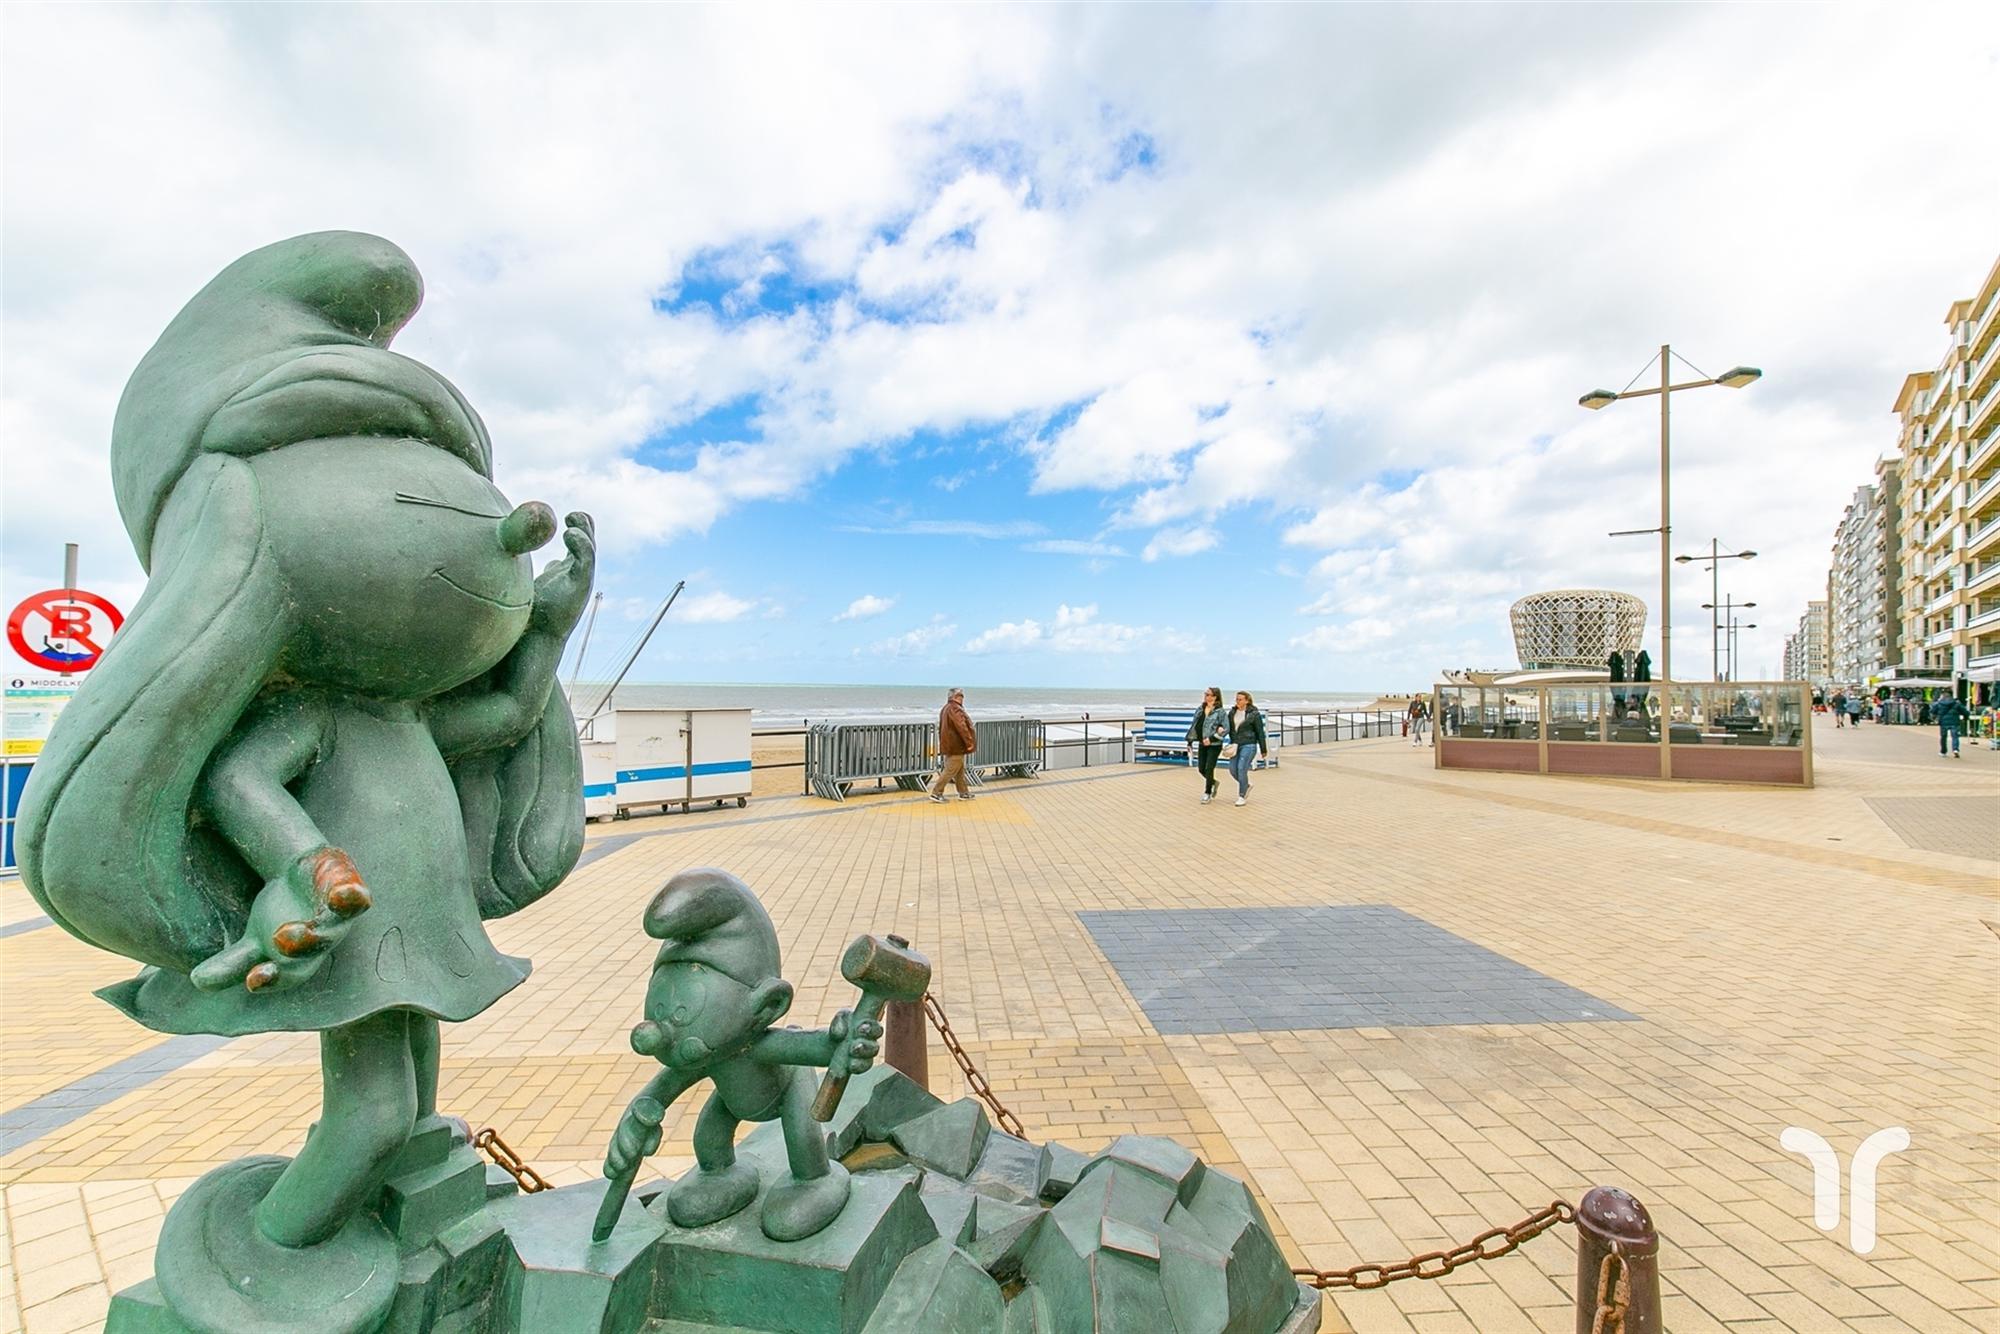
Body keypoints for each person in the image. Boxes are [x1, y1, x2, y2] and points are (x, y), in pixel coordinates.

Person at [928, 688, 977, 802]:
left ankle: (963, 793)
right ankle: (936, 793)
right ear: (954, 697)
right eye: (960, 695)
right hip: (956, 746)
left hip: (950, 745)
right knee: (950, 770)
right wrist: (969, 742)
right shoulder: (955, 708)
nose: (962, 698)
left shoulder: (946, 708)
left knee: (959, 770)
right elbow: (962, 727)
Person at [1224, 690, 1269, 806]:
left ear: (1247, 701)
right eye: (1236, 699)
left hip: (1249, 744)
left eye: (1240, 699)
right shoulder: (1232, 713)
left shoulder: (1254, 714)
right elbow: (1228, 728)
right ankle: (1247, 785)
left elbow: (1260, 732)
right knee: (1232, 769)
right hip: (1235, 744)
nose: (1237, 701)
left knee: (1241, 768)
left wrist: (1263, 749)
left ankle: (1241, 796)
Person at [1186, 686, 1228, 803]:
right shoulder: (1200, 709)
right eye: (1205, 694)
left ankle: (1207, 792)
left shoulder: (1220, 712)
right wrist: (1190, 741)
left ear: (1215, 697)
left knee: (1209, 768)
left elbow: (1226, 728)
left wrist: (1212, 738)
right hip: (1201, 743)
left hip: (1214, 745)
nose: (1206, 696)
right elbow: (1195, 725)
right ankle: (1213, 782)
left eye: (1208, 694)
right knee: (1201, 769)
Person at [1932, 692, 1968, 759]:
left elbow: (1932, 710)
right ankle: (1955, 749)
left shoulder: (1939, 703)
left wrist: (1935, 717)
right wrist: (1965, 718)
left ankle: (1943, 751)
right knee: (1955, 736)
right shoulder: (1956, 703)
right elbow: (1965, 711)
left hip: (1943, 722)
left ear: (1942, 696)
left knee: (1943, 737)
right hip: (1954, 722)